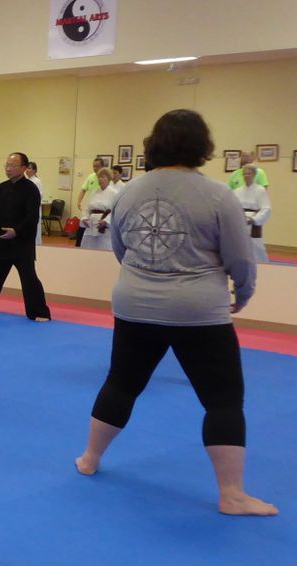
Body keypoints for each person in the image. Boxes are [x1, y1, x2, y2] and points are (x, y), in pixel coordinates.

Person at [75, 109, 276, 517]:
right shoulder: (218, 195)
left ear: (155, 144)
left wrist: (145, 278)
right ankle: (232, 495)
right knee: (222, 400)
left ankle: (89, 458)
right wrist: (245, 294)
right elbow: (241, 259)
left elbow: (120, 248)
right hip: (198, 309)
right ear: (203, 146)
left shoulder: (129, 192)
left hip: (135, 303)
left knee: (121, 383)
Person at [0, 152, 51, 321]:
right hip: (1, 241)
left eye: (13, 165)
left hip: (21, 241)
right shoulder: (1, 188)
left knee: (28, 277)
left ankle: (40, 312)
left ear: (24, 168)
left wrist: (17, 231)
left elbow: (32, 217)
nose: (8, 168)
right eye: (7, 165)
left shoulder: (31, 190)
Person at [233, 164, 271, 263]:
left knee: (256, 246)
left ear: (254, 175)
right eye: (245, 174)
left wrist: (254, 219)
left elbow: (266, 208)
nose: (247, 176)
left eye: (249, 173)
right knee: (239, 244)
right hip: (240, 220)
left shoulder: (260, 190)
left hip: (254, 221)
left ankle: (261, 265)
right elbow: (233, 207)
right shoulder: (237, 191)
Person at [79, 167, 118, 251]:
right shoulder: (94, 192)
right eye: (99, 177)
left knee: (103, 248)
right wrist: (84, 218)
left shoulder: (114, 193)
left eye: (103, 177)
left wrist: (106, 221)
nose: (100, 179)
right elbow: (87, 208)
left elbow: (115, 211)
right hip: (91, 224)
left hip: (104, 225)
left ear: (109, 179)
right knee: (87, 249)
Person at [74, 157, 106, 247]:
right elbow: (83, 190)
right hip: (91, 206)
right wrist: (79, 201)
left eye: (97, 166)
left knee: (98, 232)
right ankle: (78, 246)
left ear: (102, 166)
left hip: (102, 209)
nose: (95, 168)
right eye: (94, 166)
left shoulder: (106, 178)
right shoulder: (91, 177)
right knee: (83, 225)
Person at [25, 162, 44, 245]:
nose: (27, 170)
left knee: (35, 232)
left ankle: (37, 246)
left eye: (29, 168)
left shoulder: (37, 181)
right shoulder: (26, 181)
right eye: (27, 168)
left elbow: (39, 196)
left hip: (34, 211)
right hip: (26, 211)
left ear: (35, 170)